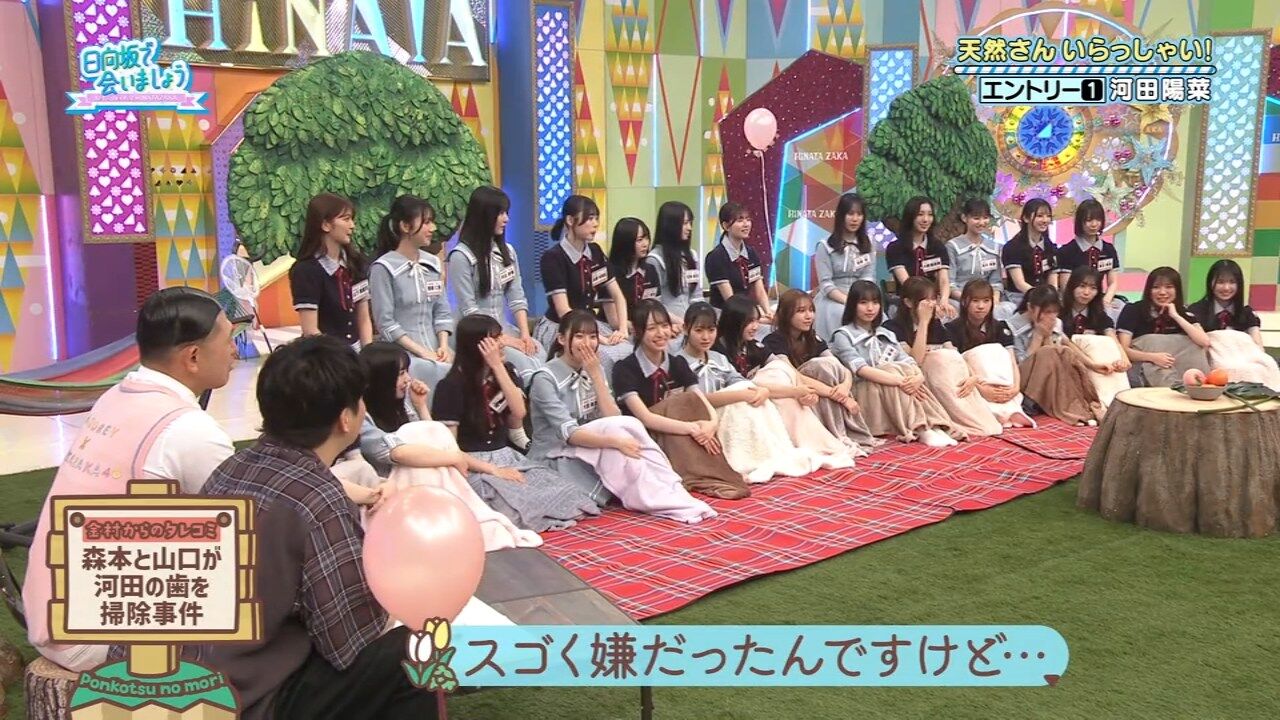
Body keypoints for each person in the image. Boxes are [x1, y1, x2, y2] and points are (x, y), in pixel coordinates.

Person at [191, 335, 438, 720]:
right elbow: (350, 639)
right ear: (345, 418)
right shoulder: (317, 498)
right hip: (246, 699)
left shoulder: (231, 468)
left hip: (187, 684)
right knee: (412, 652)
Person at [24, 288, 237, 672]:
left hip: (49, 613)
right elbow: (253, 526)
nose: (234, 351)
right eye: (229, 340)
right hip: (94, 635)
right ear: (193, 356)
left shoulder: (117, 396)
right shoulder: (189, 430)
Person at [526, 310, 717, 523]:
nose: (587, 343)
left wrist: (596, 376)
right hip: (556, 453)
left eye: (592, 336)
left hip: (592, 446)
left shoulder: (594, 369)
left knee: (627, 428)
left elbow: (613, 416)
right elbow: (570, 434)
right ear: (562, 339)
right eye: (579, 336)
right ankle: (664, 500)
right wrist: (615, 442)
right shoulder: (545, 378)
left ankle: (671, 491)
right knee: (625, 437)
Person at [357, 342, 542, 549]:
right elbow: (399, 453)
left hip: (428, 479)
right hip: (390, 488)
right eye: (401, 374)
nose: (408, 379)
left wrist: (420, 406)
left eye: (407, 372)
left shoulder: (403, 406)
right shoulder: (361, 418)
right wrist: (455, 458)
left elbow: (435, 440)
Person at [432, 315, 602, 531]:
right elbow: (450, 450)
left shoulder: (507, 372)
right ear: (476, 345)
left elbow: (519, 413)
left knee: (566, 491)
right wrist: (493, 470)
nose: (502, 343)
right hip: (474, 463)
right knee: (514, 504)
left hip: (507, 456)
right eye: (495, 339)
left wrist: (498, 368)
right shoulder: (451, 386)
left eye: (501, 336)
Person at [680, 303, 850, 481]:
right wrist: (744, 393)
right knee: (750, 396)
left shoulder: (720, 358)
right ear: (685, 329)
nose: (706, 337)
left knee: (767, 388)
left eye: (711, 330)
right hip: (703, 415)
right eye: (699, 330)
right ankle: (752, 457)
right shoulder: (681, 361)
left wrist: (762, 391)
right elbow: (696, 399)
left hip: (732, 404)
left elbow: (744, 380)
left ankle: (784, 447)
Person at [612, 299, 750, 499]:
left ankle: (707, 473)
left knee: (689, 403)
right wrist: (692, 428)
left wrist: (710, 424)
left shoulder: (677, 363)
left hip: (681, 430)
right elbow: (645, 418)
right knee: (678, 403)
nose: (661, 333)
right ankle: (700, 475)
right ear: (638, 331)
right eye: (651, 328)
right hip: (647, 435)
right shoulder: (625, 368)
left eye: (664, 326)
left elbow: (699, 400)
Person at [713, 295, 862, 462]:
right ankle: (814, 442)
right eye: (749, 322)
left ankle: (829, 436)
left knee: (821, 367)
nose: (755, 326)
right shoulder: (720, 351)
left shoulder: (756, 346)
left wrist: (835, 388)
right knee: (785, 378)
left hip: (776, 393)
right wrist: (801, 391)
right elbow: (758, 382)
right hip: (736, 401)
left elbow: (791, 371)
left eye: (811, 310)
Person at [828, 281, 961, 445]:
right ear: (852, 305)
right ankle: (921, 428)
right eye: (863, 303)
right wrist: (901, 381)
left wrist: (918, 377)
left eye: (875, 303)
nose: (870, 308)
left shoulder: (886, 333)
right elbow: (861, 370)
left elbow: (909, 361)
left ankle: (933, 425)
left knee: (906, 370)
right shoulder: (843, 335)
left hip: (892, 388)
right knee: (893, 369)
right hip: (865, 391)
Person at [761, 290, 879, 454]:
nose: (808, 316)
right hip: (796, 393)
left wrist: (845, 386)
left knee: (829, 364)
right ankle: (835, 434)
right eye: (801, 311)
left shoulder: (814, 338)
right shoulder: (774, 341)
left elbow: (841, 367)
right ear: (786, 314)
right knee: (821, 365)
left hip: (822, 391)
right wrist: (840, 397)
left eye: (811, 310)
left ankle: (842, 432)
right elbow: (793, 375)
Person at [886, 277, 1000, 437]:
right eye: (925, 300)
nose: (931, 305)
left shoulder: (937, 325)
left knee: (948, 359)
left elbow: (954, 355)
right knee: (937, 359)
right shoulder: (893, 328)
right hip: (920, 382)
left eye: (934, 299)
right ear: (908, 302)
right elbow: (915, 361)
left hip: (947, 381)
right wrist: (924, 322)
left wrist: (972, 377)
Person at [447, 185, 542, 374]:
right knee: (522, 363)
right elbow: (469, 309)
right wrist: (502, 339)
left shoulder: (508, 252)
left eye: (506, 213)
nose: (506, 219)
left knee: (538, 353)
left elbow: (516, 296)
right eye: (500, 213)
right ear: (483, 216)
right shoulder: (460, 256)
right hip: (476, 334)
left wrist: (525, 335)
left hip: (504, 329)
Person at [533, 195, 631, 373]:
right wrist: (597, 338)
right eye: (590, 218)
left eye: (596, 218)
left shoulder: (595, 251)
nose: (595, 224)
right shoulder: (553, 257)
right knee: (605, 356)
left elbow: (617, 295)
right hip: (565, 328)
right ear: (570, 220)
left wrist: (623, 329)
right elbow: (564, 311)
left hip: (591, 326)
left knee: (628, 349)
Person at [368, 194, 451, 390]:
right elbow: (385, 322)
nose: (433, 228)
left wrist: (444, 346)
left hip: (437, 350)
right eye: (426, 222)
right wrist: (423, 353)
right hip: (404, 356)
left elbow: (442, 311)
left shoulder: (433, 263)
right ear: (405, 226)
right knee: (438, 374)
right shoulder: (383, 268)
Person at [1008, 285, 1107, 425]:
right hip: (1023, 381)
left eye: (1055, 312)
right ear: (1030, 307)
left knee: (1066, 353)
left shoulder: (1056, 323)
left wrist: (1092, 365)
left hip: (1050, 379)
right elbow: (1019, 364)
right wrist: (1038, 336)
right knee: (1048, 353)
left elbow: (1064, 347)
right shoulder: (1012, 326)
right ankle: (1072, 410)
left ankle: (1085, 405)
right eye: (1046, 312)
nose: (1051, 317)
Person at [946, 279, 1034, 428]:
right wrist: (981, 389)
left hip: (1001, 382)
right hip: (972, 382)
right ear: (964, 302)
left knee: (997, 352)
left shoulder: (1001, 327)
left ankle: (1009, 408)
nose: (981, 306)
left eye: (986, 301)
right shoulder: (952, 329)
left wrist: (1015, 387)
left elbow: (1011, 361)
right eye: (975, 301)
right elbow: (957, 364)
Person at [290, 193, 373, 347]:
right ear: (325, 225)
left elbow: (363, 318)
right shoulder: (306, 271)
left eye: (352, 219)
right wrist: (341, 356)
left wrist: (368, 352)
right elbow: (310, 331)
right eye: (346, 219)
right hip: (325, 354)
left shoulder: (356, 263)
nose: (352, 225)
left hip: (357, 352)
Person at [1188, 259, 1280, 388]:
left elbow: (1257, 345)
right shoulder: (1196, 310)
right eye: (1220, 282)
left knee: (1265, 366)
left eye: (1232, 282)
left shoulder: (1247, 312)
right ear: (1210, 283)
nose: (1226, 288)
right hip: (1214, 363)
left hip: (1245, 360)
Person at [1116, 267, 1211, 387]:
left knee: (1195, 346)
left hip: (1181, 369)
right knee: (1151, 342)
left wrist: (1175, 315)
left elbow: (1204, 342)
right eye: (1156, 287)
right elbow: (1123, 350)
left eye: (1169, 287)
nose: (1162, 292)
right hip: (1143, 365)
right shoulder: (1133, 310)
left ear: (1177, 290)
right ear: (1148, 290)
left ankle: (1197, 388)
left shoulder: (1184, 313)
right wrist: (1153, 357)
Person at [1059, 267, 1130, 411]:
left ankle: (1120, 404)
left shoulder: (1099, 314)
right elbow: (1065, 342)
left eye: (1093, 288)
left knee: (1105, 345)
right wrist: (1092, 364)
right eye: (1082, 286)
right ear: (1072, 286)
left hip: (1098, 364)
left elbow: (1112, 338)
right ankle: (1103, 405)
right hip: (1069, 360)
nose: (1086, 292)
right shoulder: (1059, 312)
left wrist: (1124, 359)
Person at [814, 193, 877, 340]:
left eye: (859, 214)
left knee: (874, 315)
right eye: (850, 214)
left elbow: (868, 277)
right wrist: (849, 302)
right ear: (841, 216)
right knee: (841, 313)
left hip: (862, 296)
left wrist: (861, 300)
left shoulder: (868, 245)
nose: (855, 219)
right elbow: (826, 284)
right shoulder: (825, 246)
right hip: (833, 299)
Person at [884, 196, 955, 318]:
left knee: (952, 314)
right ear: (910, 217)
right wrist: (930, 305)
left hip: (935, 300)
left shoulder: (938, 246)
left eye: (930, 215)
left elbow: (944, 279)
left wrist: (944, 301)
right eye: (920, 214)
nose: (926, 219)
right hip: (907, 302)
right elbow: (907, 283)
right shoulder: (895, 248)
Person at [705, 202, 772, 325]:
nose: (746, 224)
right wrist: (758, 318)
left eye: (748, 219)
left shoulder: (751, 253)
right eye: (740, 220)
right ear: (726, 226)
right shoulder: (716, 257)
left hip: (747, 313)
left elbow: (759, 289)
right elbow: (731, 301)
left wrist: (768, 314)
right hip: (725, 315)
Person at [1056, 198, 1122, 320]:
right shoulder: (1067, 251)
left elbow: (1113, 282)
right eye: (1088, 220)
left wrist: (1106, 300)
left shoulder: (1109, 249)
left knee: (1121, 309)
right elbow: (1066, 286)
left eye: (1098, 220)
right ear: (1079, 222)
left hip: (1099, 299)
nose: (1094, 224)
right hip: (1074, 301)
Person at [945, 198, 1009, 319]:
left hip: (987, 300)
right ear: (964, 218)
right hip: (960, 300)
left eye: (985, 218)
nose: (981, 222)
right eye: (976, 218)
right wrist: (968, 301)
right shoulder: (952, 246)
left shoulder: (994, 247)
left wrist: (993, 301)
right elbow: (950, 283)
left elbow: (996, 282)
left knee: (1008, 310)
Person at [646, 201, 702, 337]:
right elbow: (654, 303)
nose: (689, 228)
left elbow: (696, 295)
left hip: (691, 322)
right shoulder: (654, 260)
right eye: (685, 223)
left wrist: (702, 317)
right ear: (671, 226)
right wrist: (679, 323)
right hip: (669, 325)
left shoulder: (692, 256)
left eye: (690, 223)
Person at [1000, 197, 1058, 304]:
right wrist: (1040, 298)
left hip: (1046, 298)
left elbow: (1053, 278)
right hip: (1019, 298)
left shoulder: (1050, 246)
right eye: (1040, 216)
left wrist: (1052, 296)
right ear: (1026, 218)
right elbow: (1020, 284)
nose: (1045, 220)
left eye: (1048, 216)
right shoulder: (1012, 247)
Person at [608, 217, 662, 310]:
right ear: (625, 242)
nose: (645, 244)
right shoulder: (612, 273)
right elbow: (613, 316)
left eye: (646, 238)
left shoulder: (650, 270)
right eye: (639, 240)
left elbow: (656, 307)